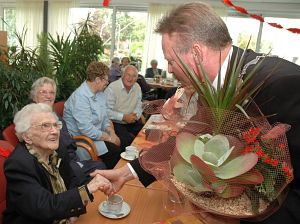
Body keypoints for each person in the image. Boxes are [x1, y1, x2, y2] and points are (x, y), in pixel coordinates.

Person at [92, 2, 300, 224]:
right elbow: (189, 138)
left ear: (197, 53)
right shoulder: (211, 84)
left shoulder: (282, 83)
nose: (169, 69)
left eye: (170, 60)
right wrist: (126, 174)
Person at [3, 103, 112, 223]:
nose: (55, 131)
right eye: (45, 126)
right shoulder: (18, 164)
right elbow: (43, 206)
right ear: (27, 136)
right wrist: (88, 189)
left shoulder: (58, 150)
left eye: (56, 125)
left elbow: (71, 182)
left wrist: (74, 212)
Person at [30, 77, 106, 185]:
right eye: (43, 92)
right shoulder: (33, 118)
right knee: (99, 173)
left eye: (52, 92)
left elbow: (67, 139)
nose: (48, 96)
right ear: (34, 96)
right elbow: (43, 154)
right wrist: (74, 166)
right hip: (58, 166)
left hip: (71, 158)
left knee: (100, 169)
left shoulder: (52, 113)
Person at [64, 61, 121, 169]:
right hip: (81, 141)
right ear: (97, 80)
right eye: (106, 79)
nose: (107, 82)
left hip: (96, 136)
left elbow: (105, 118)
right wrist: (108, 138)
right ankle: (104, 178)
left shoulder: (100, 94)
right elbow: (85, 129)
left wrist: (112, 133)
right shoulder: (80, 97)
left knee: (119, 142)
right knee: (115, 151)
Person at [104, 65, 144, 148]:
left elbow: (139, 105)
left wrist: (135, 115)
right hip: (115, 122)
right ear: (123, 75)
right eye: (128, 75)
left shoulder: (137, 87)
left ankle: (143, 155)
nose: (130, 78)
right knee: (126, 140)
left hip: (132, 120)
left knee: (145, 133)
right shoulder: (112, 88)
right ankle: (125, 160)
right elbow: (106, 111)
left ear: (137, 78)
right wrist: (124, 117)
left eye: (134, 76)